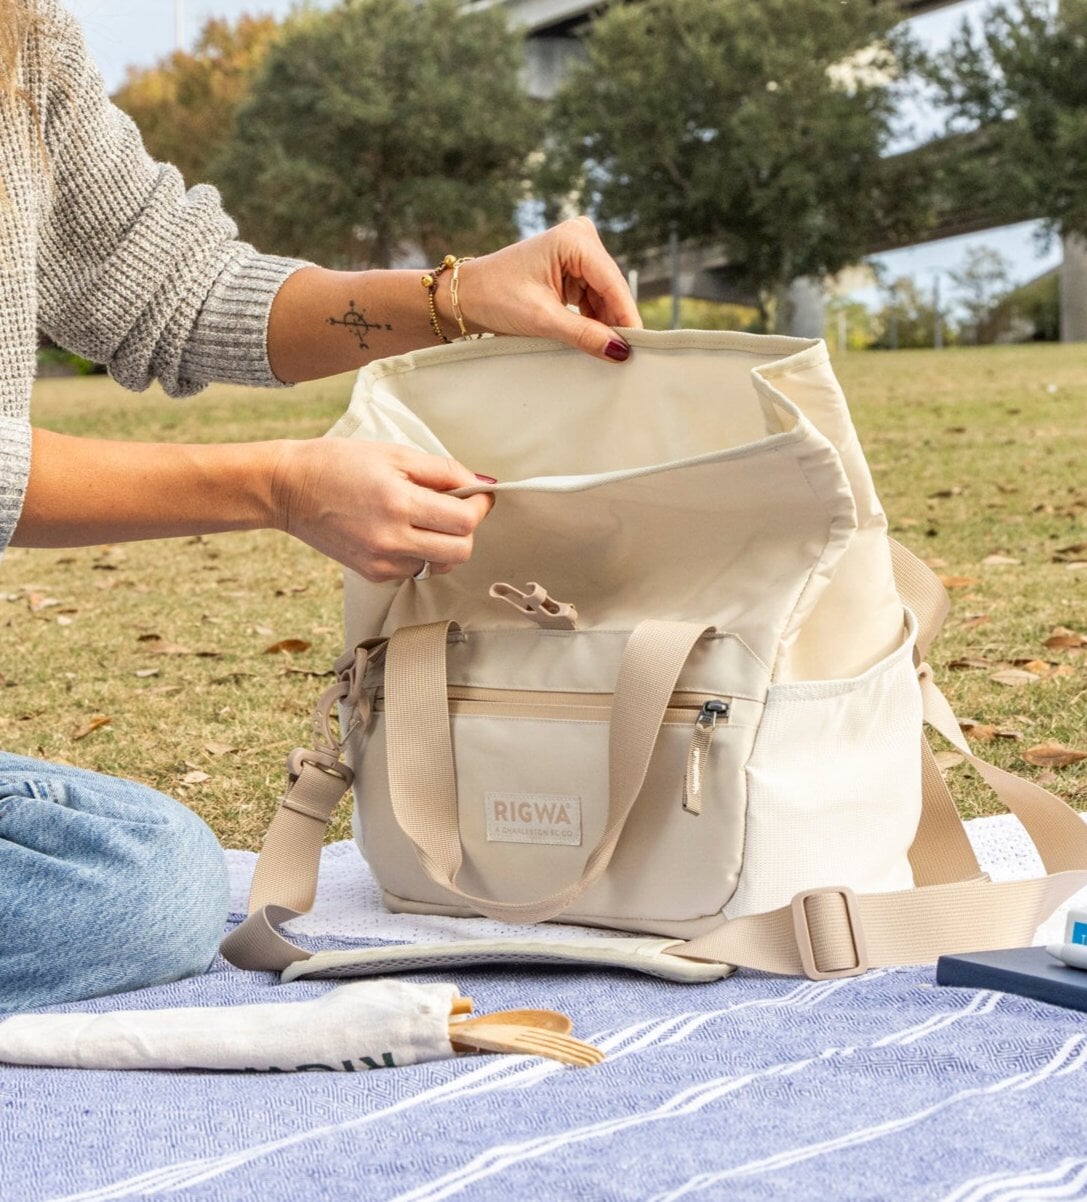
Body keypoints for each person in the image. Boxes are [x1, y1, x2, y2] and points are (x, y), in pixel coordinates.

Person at [0, 0, 641, 1013]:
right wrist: (278, 485)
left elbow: (175, 286)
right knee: (138, 898)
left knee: (154, 852)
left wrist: (456, 297)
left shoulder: (22, 46)